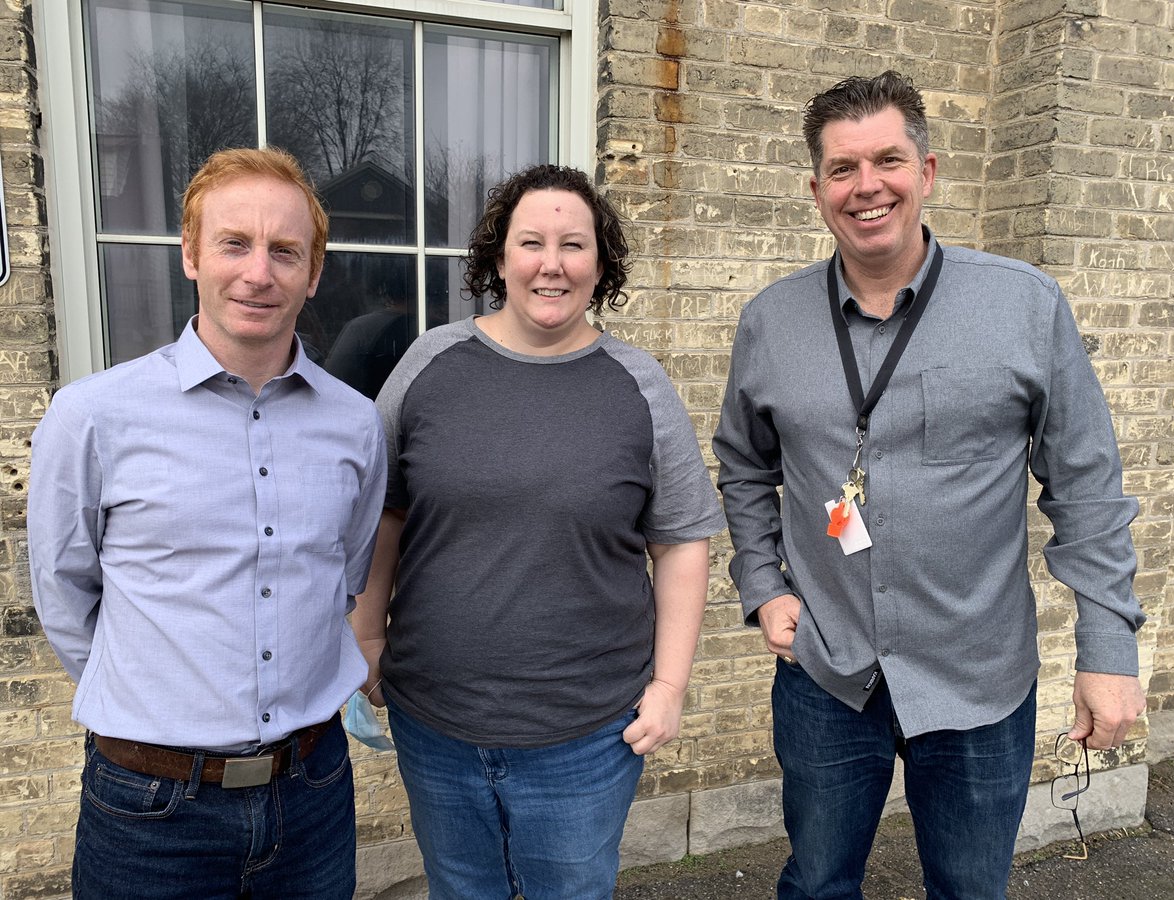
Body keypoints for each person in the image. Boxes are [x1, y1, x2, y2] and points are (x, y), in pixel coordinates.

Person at [712, 71, 1146, 900]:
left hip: (978, 677)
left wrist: (1109, 650)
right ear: (816, 189)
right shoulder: (771, 320)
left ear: (929, 172)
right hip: (827, 672)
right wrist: (762, 585)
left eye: (887, 160)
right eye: (842, 169)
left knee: (970, 889)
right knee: (815, 883)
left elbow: (1086, 484)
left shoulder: (1023, 305)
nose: (866, 186)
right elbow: (743, 464)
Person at [351, 163, 724, 899]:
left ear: (600, 264)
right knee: (461, 890)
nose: (551, 264)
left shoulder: (639, 384)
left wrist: (670, 685)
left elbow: (681, 540)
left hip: (587, 736)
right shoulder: (430, 363)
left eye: (574, 245)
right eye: (531, 242)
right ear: (498, 258)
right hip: (436, 723)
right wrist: (365, 638)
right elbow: (384, 510)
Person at [28, 147, 387, 899]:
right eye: (235, 243)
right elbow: (65, 593)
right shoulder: (93, 416)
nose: (260, 273)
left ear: (313, 273)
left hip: (312, 794)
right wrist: (154, 699)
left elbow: (343, 579)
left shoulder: (356, 426)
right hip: (150, 813)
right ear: (191, 255)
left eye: (285, 251)